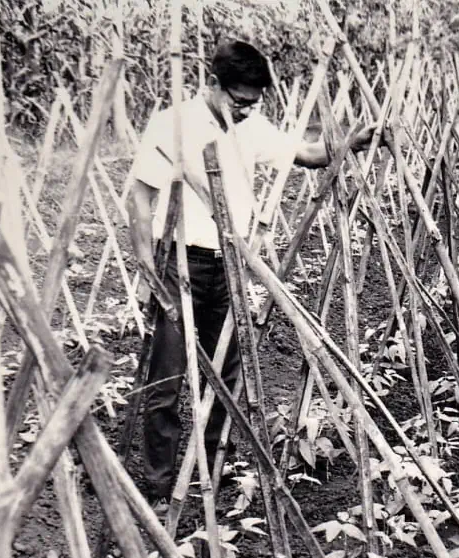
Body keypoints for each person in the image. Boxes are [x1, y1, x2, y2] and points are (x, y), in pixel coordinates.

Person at [126, 39, 372, 507]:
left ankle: (210, 475)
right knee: (167, 380)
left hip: (229, 266)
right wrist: (147, 267)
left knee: (225, 374)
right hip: (179, 261)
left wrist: (353, 142)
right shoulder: (173, 125)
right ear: (213, 84)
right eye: (238, 101)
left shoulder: (251, 125)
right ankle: (159, 486)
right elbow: (139, 198)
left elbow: (309, 154)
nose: (244, 111)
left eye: (252, 104)